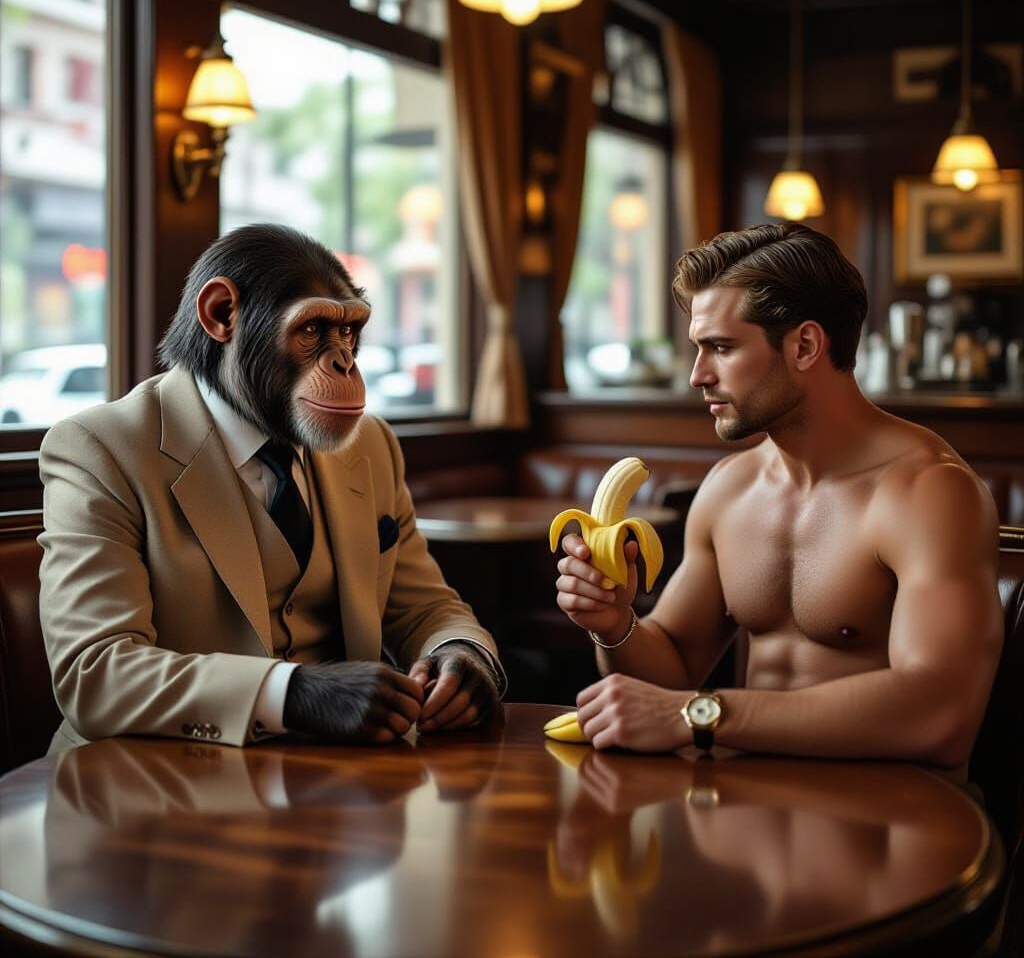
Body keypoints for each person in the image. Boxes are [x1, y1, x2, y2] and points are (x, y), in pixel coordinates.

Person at [553, 222, 1002, 772]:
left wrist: (700, 716)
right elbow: (671, 671)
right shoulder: (729, 488)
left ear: (805, 345)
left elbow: (940, 715)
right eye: (699, 348)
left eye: (720, 347)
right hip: (743, 816)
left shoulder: (929, 493)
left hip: (886, 828)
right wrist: (615, 623)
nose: (697, 375)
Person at [39, 224, 504, 751]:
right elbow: (93, 673)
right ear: (222, 315)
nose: (343, 361)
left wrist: (463, 653)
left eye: (348, 332)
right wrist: (290, 694)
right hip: (149, 780)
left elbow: (422, 607)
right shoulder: (102, 448)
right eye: (311, 331)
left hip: (338, 786)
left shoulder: (370, 443)